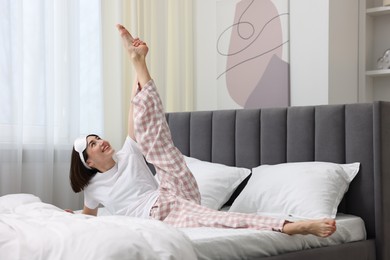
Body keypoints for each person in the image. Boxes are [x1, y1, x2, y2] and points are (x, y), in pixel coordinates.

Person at [68, 24, 336, 238]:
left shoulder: (128, 154)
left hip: (171, 191)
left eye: (98, 137)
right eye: (92, 144)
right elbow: (89, 215)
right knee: (219, 219)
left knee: (153, 140)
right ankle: (290, 226)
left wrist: (135, 67)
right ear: (88, 162)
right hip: (163, 216)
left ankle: (139, 62)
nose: (101, 141)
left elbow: (136, 114)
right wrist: (70, 216)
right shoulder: (92, 187)